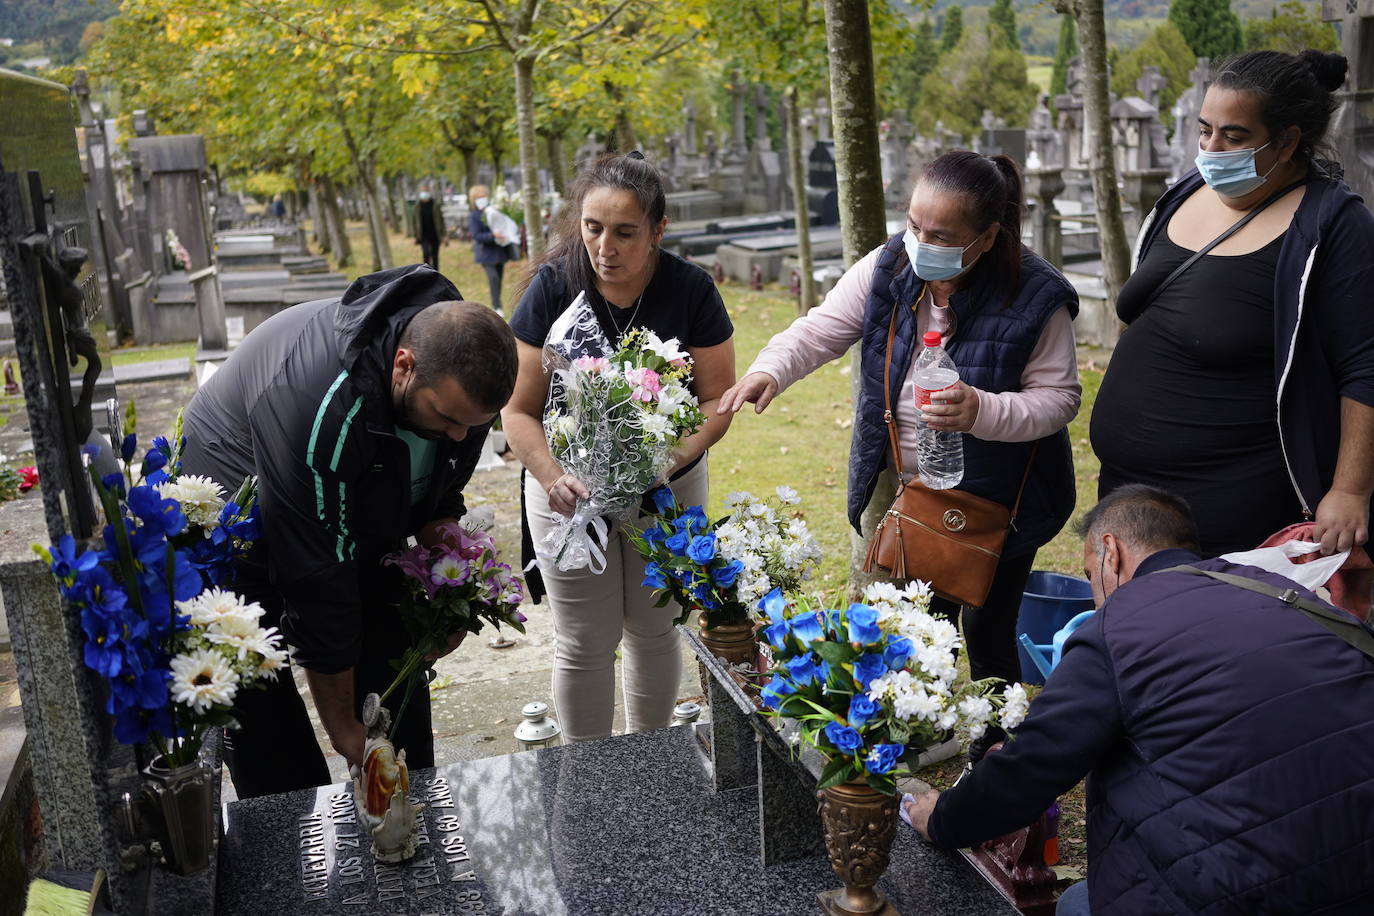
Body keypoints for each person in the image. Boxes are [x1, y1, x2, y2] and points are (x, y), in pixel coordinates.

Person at [719, 150, 1080, 761]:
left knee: (988, 632)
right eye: (914, 226)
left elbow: (1060, 400)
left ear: (988, 236)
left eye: (941, 235)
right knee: (916, 626)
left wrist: (981, 411)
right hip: (911, 489)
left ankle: (994, 756)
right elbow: (819, 329)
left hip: (1000, 501)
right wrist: (769, 371)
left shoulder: (1037, 295)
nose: (920, 243)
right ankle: (921, 735)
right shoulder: (889, 265)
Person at [902, 484, 1374, 915]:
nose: (1095, 597)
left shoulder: (1119, 627)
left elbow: (1028, 769)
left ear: (1111, 553)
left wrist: (940, 818)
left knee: (1077, 903)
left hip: (1236, 894)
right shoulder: (1288, 594)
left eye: (1090, 576)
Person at [179, 264, 517, 798]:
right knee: (274, 739)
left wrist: (446, 573)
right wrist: (342, 727)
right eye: (449, 418)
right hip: (234, 529)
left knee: (394, 683)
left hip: (348, 505)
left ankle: (413, 815)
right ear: (403, 365)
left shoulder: (459, 390)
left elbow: (434, 493)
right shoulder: (323, 408)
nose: (460, 435)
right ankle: (287, 855)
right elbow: (317, 579)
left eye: (474, 426)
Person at [1091, 49, 1374, 558]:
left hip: (1228, 505)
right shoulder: (1185, 191)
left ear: (1287, 140)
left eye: (1234, 136)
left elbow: (1365, 364)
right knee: (1128, 635)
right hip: (1127, 494)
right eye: (1205, 130)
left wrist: (1350, 490)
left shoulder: (1331, 224)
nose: (1211, 148)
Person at [502, 152, 735, 743]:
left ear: (658, 230)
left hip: (668, 487)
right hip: (567, 494)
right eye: (592, 228)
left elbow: (717, 402)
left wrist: (666, 458)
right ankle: (590, 775)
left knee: (656, 632)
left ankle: (650, 764)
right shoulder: (553, 288)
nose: (605, 247)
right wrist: (553, 476)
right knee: (584, 641)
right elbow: (517, 409)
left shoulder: (691, 290)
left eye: (625, 232)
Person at [468, 184, 514, 312]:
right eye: (478, 197)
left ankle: (497, 302)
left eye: (483, 196)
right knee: (493, 278)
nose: (482, 199)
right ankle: (496, 306)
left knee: (498, 279)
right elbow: (476, 235)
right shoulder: (474, 216)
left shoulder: (495, 211)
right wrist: (492, 235)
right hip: (485, 253)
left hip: (499, 251)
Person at [415, 185, 446, 271]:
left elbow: (441, 220)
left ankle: (436, 273)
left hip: (435, 234)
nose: (424, 193)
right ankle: (426, 272)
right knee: (426, 253)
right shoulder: (417, 206)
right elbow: (414, 221)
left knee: (435, 255)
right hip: (423, 235)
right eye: (423, 191)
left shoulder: (435, 205)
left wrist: (444, 234)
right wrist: (415, 235)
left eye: (426, 191)